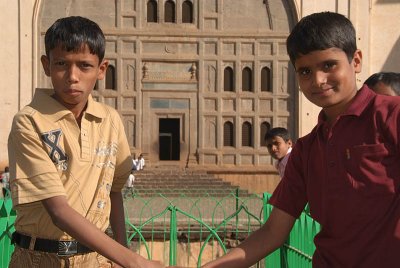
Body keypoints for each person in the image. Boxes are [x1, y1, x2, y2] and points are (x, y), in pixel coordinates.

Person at [203, 11, 400, 267]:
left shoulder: (390, 117)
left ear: (356, 61)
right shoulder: (307, 150)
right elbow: (273, 231)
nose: (318, 80)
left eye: (329, 65)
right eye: (305, 71)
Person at [7, 16, 164, 268]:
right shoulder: (30, 122)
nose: (72, 76)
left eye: (84, 66)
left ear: (102, 70)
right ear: (46, 65)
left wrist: (121, 255)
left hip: (97, 259)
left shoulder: (110, 120)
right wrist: (133, 260)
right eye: (61, 64)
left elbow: (113, 192)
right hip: (39, 258)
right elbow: (58, 211)